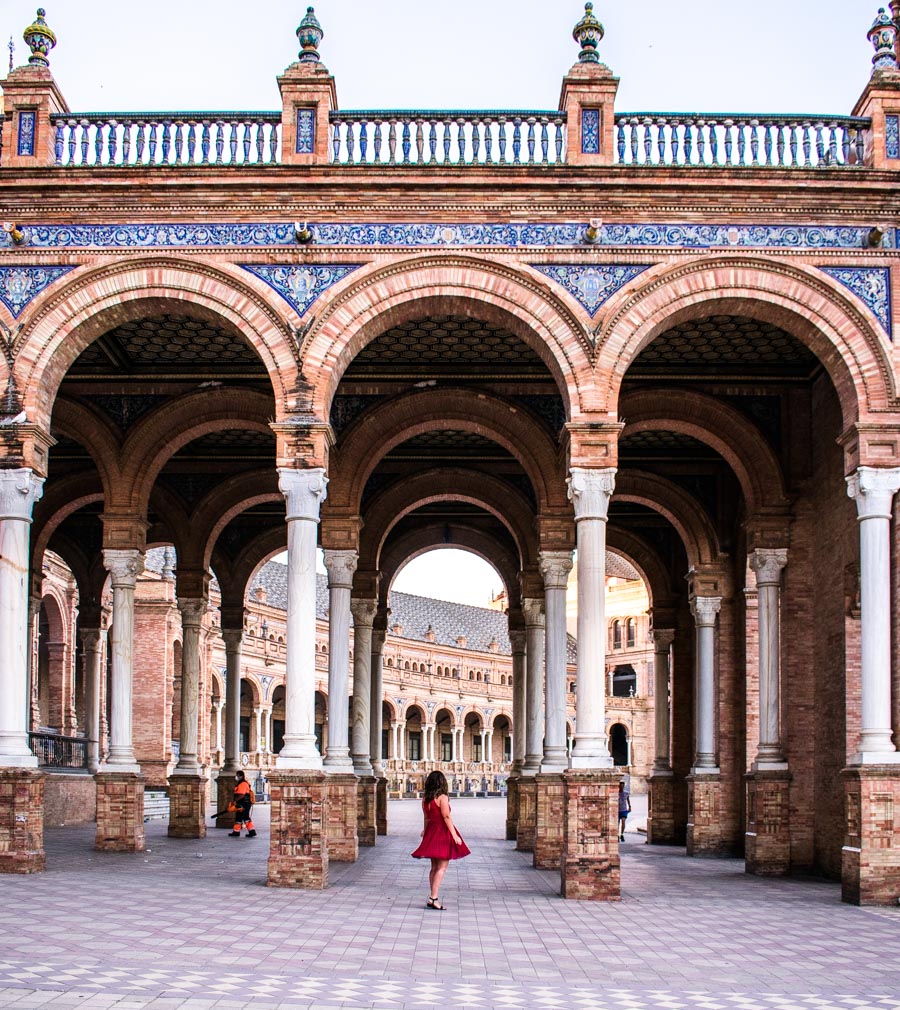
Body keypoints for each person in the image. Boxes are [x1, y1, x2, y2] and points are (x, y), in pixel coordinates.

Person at [411, 770, 470, 909]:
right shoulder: (442, 797)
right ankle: (434, 897)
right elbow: (446, 817)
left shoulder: (425, 798)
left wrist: (425, 831)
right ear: (442, 782)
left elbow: (426, 817)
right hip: (442, 833)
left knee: (434, 867)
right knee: (442, 867)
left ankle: (433, 896)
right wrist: (454, 835)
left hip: (432, 831)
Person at [229, 770, 256, 838]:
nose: (236, 777)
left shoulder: (243, 784)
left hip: (243, 803)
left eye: (237, 775)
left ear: (241, 776)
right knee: (246, 817)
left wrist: (235, 801)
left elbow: (241, 795)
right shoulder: (242, 783)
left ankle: (236, 832)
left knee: (239, 817)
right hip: (245, 803)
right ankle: (252, 831)